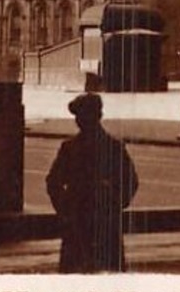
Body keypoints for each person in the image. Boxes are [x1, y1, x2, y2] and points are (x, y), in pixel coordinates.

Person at [46, 93, 139, 273]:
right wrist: (115, 203)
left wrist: (64, 209)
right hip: (103, 222)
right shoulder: (113, 147)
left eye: (81, 116)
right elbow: (131, 181)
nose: (79, 121)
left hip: (78, 219)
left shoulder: (71, 147)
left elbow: (53, 183)